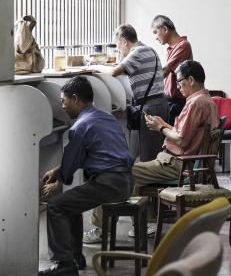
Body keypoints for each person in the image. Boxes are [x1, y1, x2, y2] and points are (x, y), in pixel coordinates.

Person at [86, 60, 220, 240]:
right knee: (135, 175)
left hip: (177, 164)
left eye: (179, 81)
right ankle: (143, 225)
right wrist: (163, 124)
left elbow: (181, 139)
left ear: (191, 79)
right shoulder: (206, 100)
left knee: (116, 173)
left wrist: (160, 129)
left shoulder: (195, 103)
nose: (178, 86)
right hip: (180, 162)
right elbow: (186, 133)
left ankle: (101, 229)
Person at [39, 77, 133, 276]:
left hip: (109, 184)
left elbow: (73, 158)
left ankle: (64, 264)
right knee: (70, 204)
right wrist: (58, 171)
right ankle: (76, 257)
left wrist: (59, 182)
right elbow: (93, 154)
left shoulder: (80, 126)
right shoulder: (106, 117)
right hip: (125, 180)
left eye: (64, 101)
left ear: (75, 99)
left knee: (56, 206)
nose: (62, 106)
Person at [111, 24, 167, 162]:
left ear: (124, 41)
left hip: (151, 107)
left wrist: (94, 66)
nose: (120, 52)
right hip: (159, 104)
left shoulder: (137, 53)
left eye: (118, 47)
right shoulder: (150, 50)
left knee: (149, 157)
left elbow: (113, 72)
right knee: (155, 153)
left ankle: (153, 184)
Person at [150, 15, 193, 124]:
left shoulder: (183, 45)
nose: (155, 37)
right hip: (170, 101)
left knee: (171, 138)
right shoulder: (171, 48)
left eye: (155, 32)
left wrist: (146, 83)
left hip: (177, 102)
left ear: (165, 29)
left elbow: (165, 71)